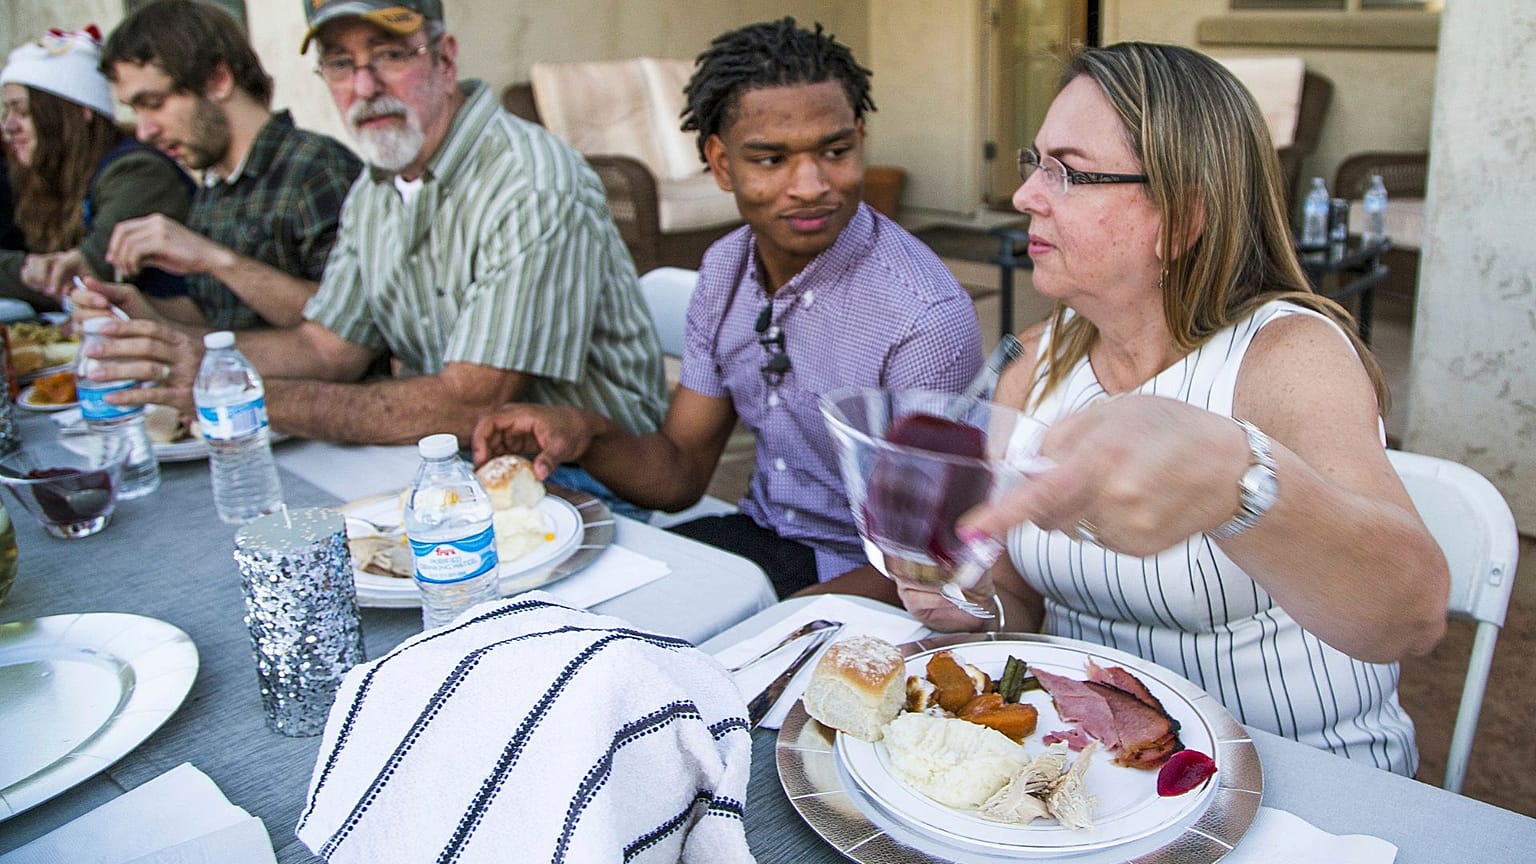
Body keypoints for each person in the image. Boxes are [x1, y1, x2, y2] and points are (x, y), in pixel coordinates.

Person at [855, 43, 1447, 775]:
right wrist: (966, 602)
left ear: (1182, 215)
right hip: (1103, 775)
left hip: (1307, 774)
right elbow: (1022, 603)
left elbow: (1412, 619)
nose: (1026, 197)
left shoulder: (1287, 358)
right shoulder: (1033, 363)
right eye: (1032, 163)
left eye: (1067, 172)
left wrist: (1239, 483)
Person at [74, 0, 665, 508]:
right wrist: (178, 349)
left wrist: (230, 389)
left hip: (588, 484)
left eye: (390, 54)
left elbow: (472, 402)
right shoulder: (375, 186)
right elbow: (324, 348)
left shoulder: (528, 180)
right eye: (340, 63)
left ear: (445, 57)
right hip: (463, 473)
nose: (363, 87)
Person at [472, 18, 983, 597]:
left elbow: (930, 566)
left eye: (834, 151)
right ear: (720, 164)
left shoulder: (922, 317)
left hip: (868, 582)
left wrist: (763, 624)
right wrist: (582, 433)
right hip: (761, 540)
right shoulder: (724, 270)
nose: (811, 184)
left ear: (859, 140)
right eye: (770, 159)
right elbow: (679, 474)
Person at [64, 0, 362, 330]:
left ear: (218, 79)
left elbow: (347, 329)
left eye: (154, 103)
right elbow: (219, 317)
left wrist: (212, 258)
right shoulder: (214, 185)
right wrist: (133, 307)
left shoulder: (315, 169)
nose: (144, 131)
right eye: (135, 110)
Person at [1, 26, 192, 311]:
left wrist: (28, 269)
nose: (8, 127)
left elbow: (82, 277)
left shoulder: (138, 172)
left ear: (80, 112)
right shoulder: (53, 177)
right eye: (6, 113)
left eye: (24, 112)